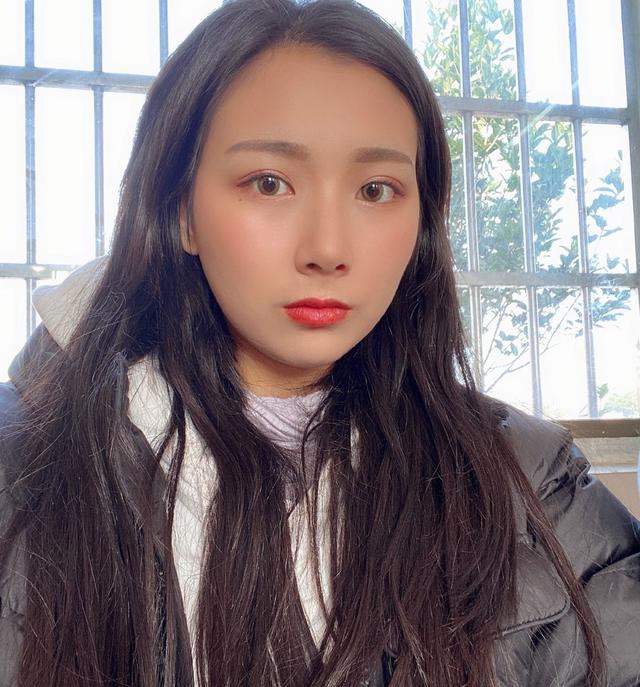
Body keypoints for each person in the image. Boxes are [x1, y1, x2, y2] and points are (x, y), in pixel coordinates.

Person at [0, 0, 638, 684]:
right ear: (180, 210)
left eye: (376, 189)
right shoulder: (24, 468)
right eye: (269, 183)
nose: (328, 248)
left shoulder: (532, 480)